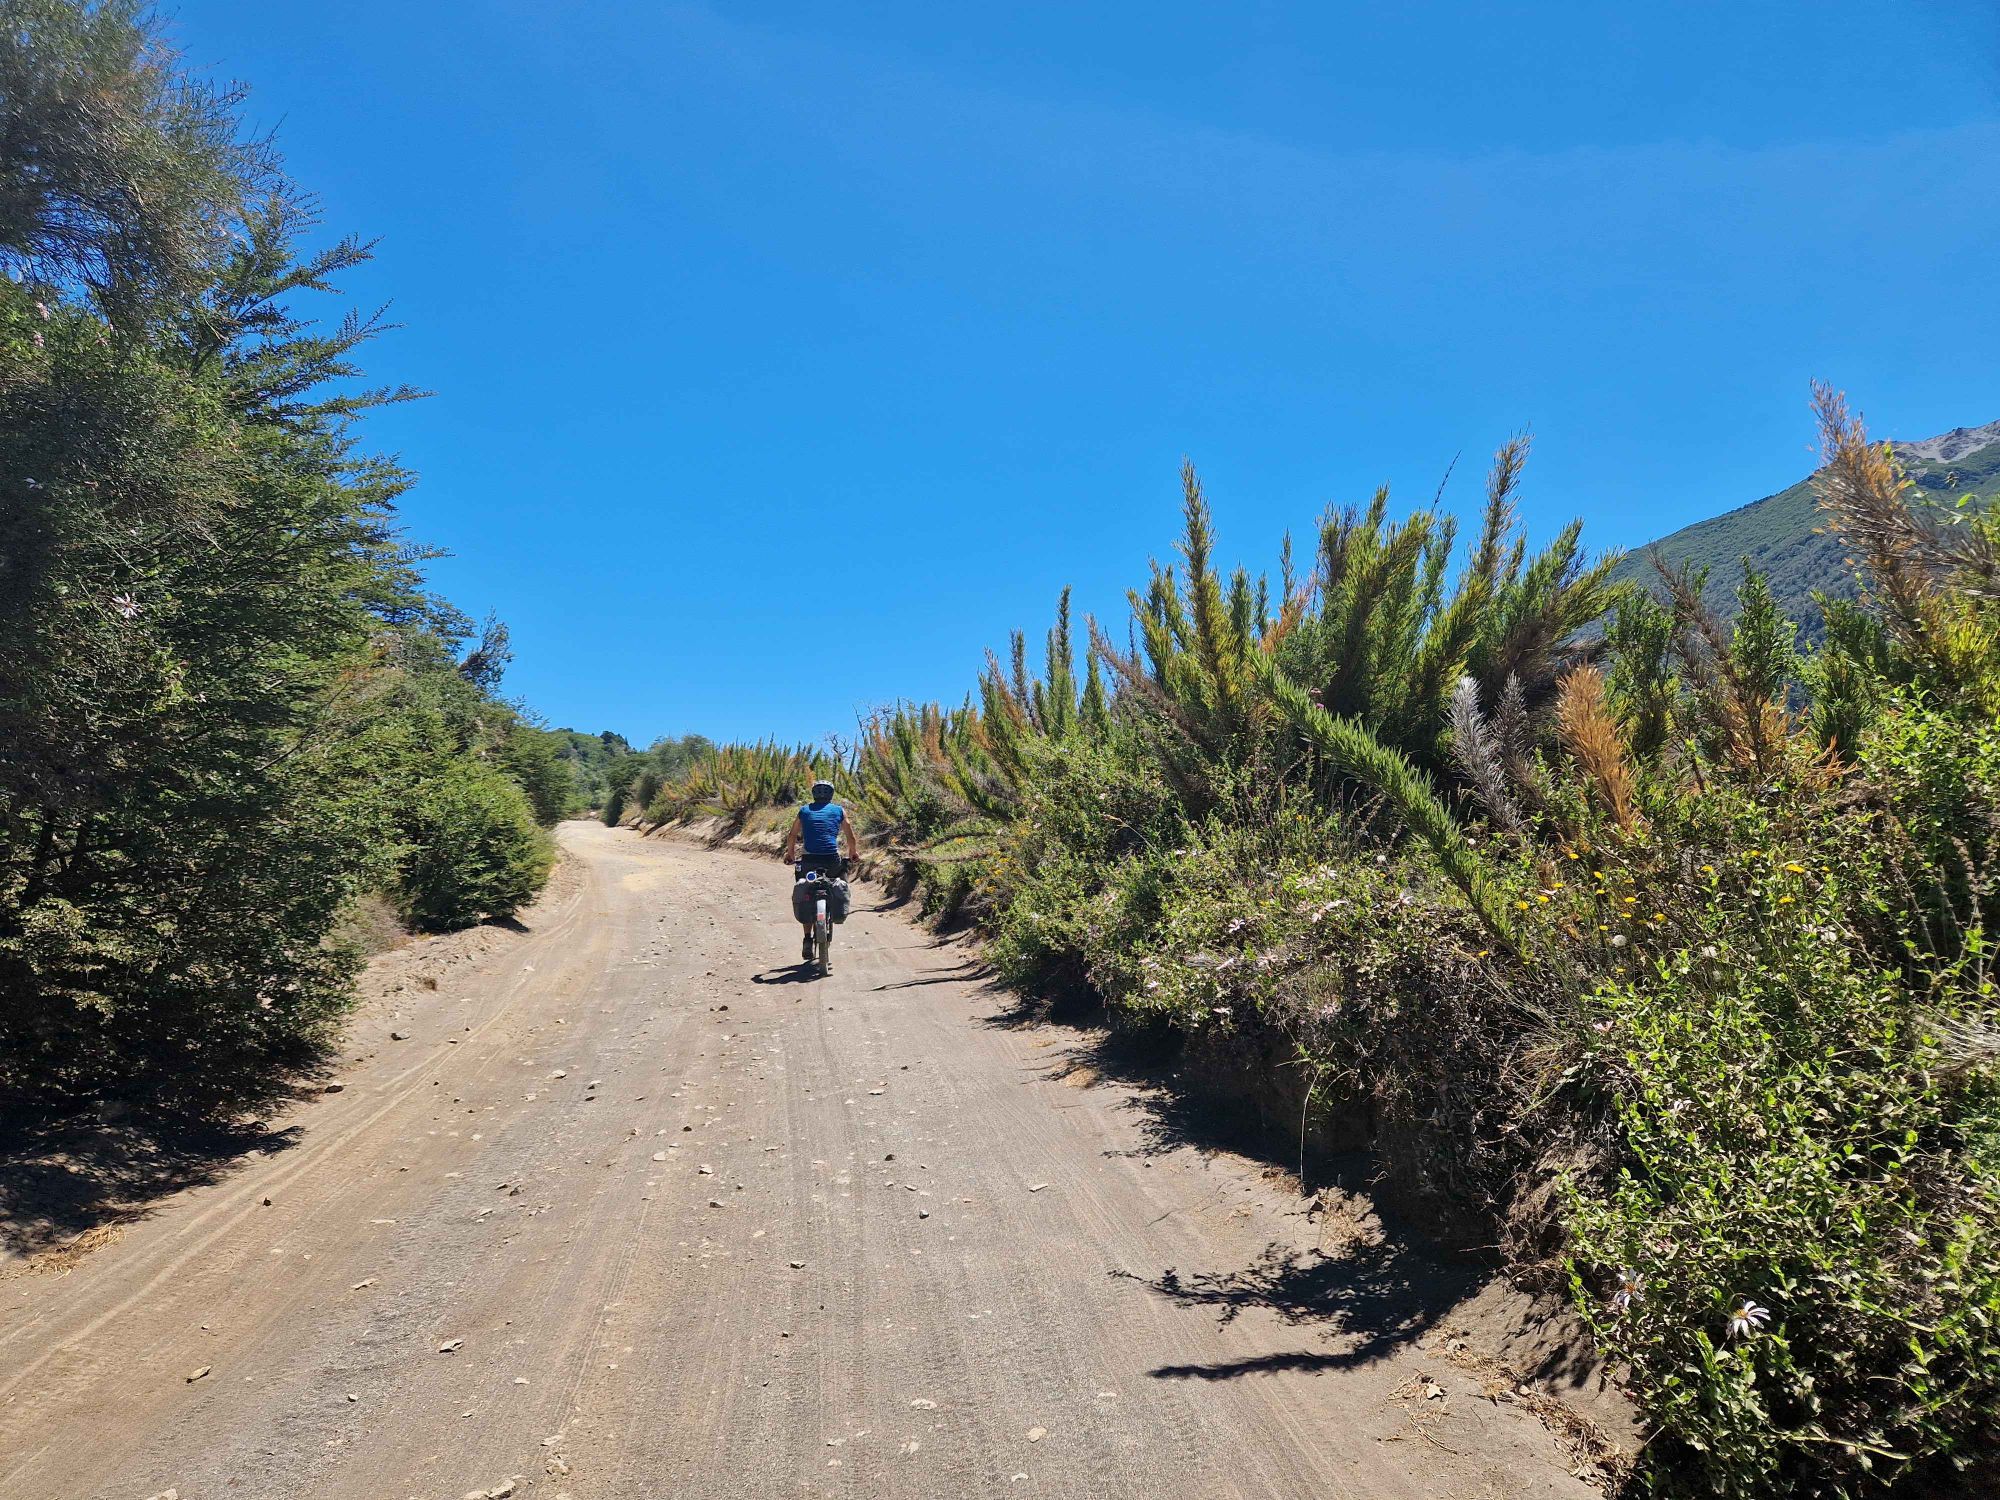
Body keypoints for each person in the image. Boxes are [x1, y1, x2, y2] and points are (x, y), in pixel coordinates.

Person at [781, 779, 859, 963]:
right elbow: (850, 835)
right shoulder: (839, 811)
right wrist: (853, 853)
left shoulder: (804, 811)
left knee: (806, 892)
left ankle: (807, 939)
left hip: (809, 861)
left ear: (813, 794)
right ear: (831, 794)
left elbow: (792, 835)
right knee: (840, 880)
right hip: (832, 860)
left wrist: (790, 854)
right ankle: (834, 906)